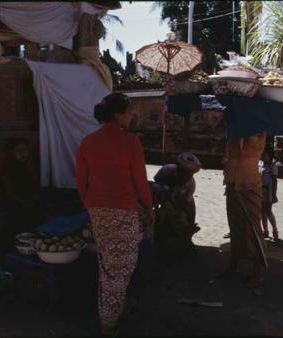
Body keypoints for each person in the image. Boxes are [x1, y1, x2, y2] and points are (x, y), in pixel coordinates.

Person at [75, 93, 153, 336]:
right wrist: (148, 206)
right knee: (123, 266)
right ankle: (108, 321)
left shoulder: (88, 142)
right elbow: (140, 181)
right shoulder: (130, 142)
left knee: (108, 263)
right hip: (123, 210)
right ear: (118, 115)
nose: (132, 116)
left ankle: (113, 309)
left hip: (97, 210)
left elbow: (80, 180)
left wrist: (89, 201)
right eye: (129, 111)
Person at [222, 134, 268, 296]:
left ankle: (259, 270)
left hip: (249, 182)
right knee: (234, 224)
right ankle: (233, 263)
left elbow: (249, 149)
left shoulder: (258, 129)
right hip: (232, 181)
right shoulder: (233, 129)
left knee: (253, 226)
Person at [151, 152, 202, 261]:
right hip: (162, 199)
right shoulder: (166, 171)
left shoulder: (190, 184)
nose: (187, 176)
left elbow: (187, 205)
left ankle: (186, 239)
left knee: (185, 214)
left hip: (178, 204)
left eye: (190, 174)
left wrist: (187, 223)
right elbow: (156, 187)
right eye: (185, 172)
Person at [258, 145, 279, 241]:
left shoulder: (273, 165)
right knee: (262, 212)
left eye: (265, 154)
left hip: (268, 191)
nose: (263, 155)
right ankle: (265, 231)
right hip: (260, 190)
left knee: (268, 211)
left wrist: (274, 194)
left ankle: (275, 230)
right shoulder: (260, 163)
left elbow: (274, 181)